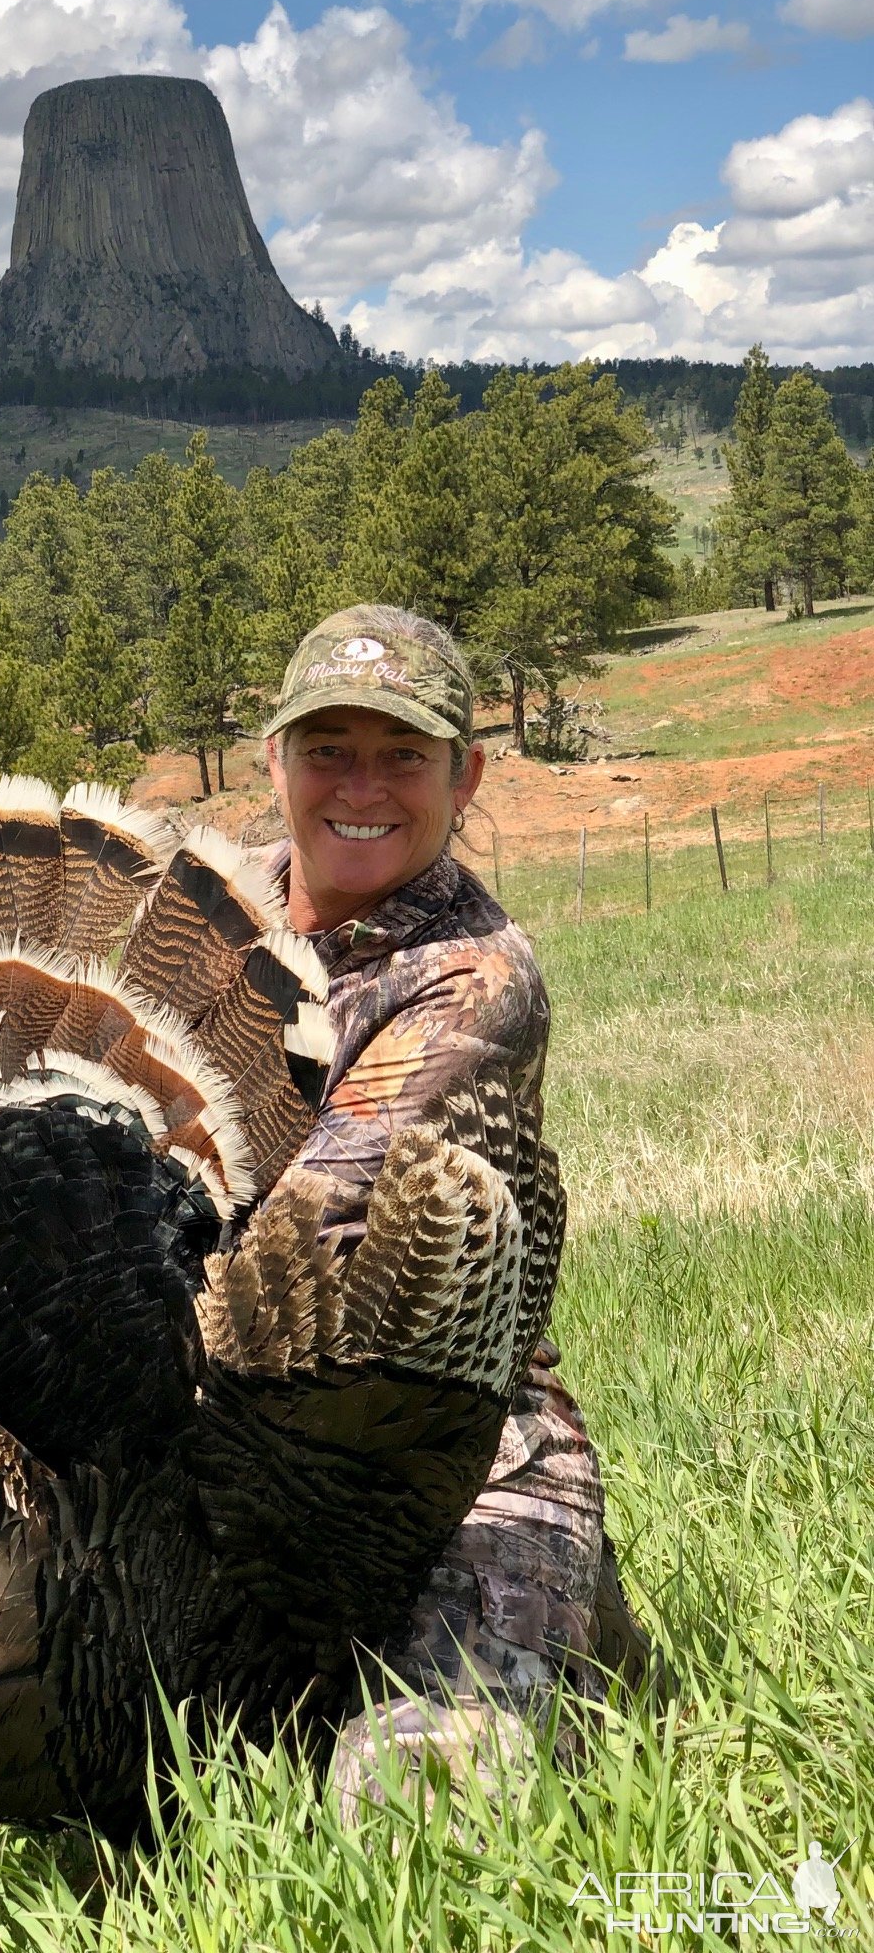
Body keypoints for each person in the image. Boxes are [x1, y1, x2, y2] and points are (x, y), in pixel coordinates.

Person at [258, 602, 656, 1810]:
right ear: (273, 760)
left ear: (466, 774)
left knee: (408, 1805)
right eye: (328, 747)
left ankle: (561, 1603)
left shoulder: (475, 982)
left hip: (446, 1444)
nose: (361, 786)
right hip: (224, 1450)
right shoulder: (201, 904)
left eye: (403, 755)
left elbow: (309, 1244)